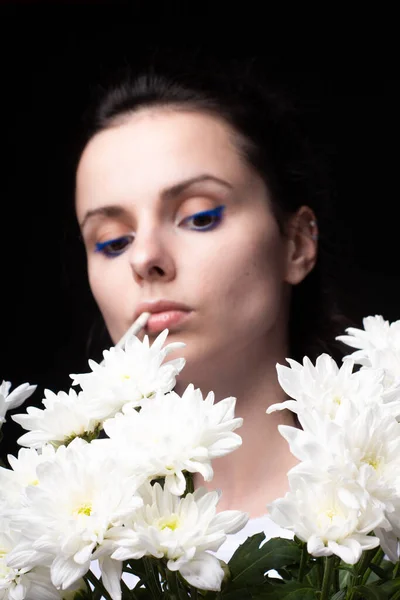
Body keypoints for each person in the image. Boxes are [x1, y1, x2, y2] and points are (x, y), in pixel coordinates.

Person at [74, 55, 347, 563]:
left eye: (199, 217)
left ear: (296, 244)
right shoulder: (59, 552)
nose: (145, 258)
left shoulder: (382, 510)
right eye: (112, 241)